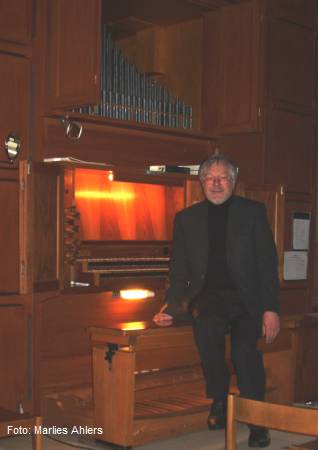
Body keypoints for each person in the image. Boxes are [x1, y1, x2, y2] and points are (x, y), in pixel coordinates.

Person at [153, 154, 280, 448]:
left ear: (233, 182)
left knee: (244, 352)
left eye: (223, 178)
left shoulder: (253, 212)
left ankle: (257, 422)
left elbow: (266, 264)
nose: (216, 184)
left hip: (247, 299)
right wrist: (172, 307)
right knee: (206, 328)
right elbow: (179, 268)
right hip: (208, 298)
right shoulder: (186, 219)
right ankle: (220, 399)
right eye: (210, 178)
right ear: (201, 182)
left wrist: (271, 308)